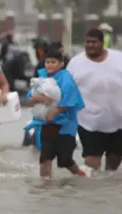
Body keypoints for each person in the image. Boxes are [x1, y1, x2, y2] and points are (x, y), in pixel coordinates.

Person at [66, 28, 122, 172]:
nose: (90, 45)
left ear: (102, 43)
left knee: (114, 164)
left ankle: (106, 192)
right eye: (87, 42)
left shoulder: (118, 59)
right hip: (88, 120)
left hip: (117, 120)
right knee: (91, 162)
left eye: (94, 42)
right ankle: (91, 191)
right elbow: (66, 90)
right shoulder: (75, 63)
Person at [25, 50, 86, 180]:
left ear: (61, 64)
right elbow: (29, 101)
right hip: (46, 125)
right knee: (45, 158)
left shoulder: (67, 80)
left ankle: (82, 176)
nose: (50, 65)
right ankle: (45, 189)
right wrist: (39, 98)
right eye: (48, 62)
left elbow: (71, 100)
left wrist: (56, 111)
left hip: (65, 126)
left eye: (53, 62)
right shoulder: (40, 79)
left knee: (65, 161)